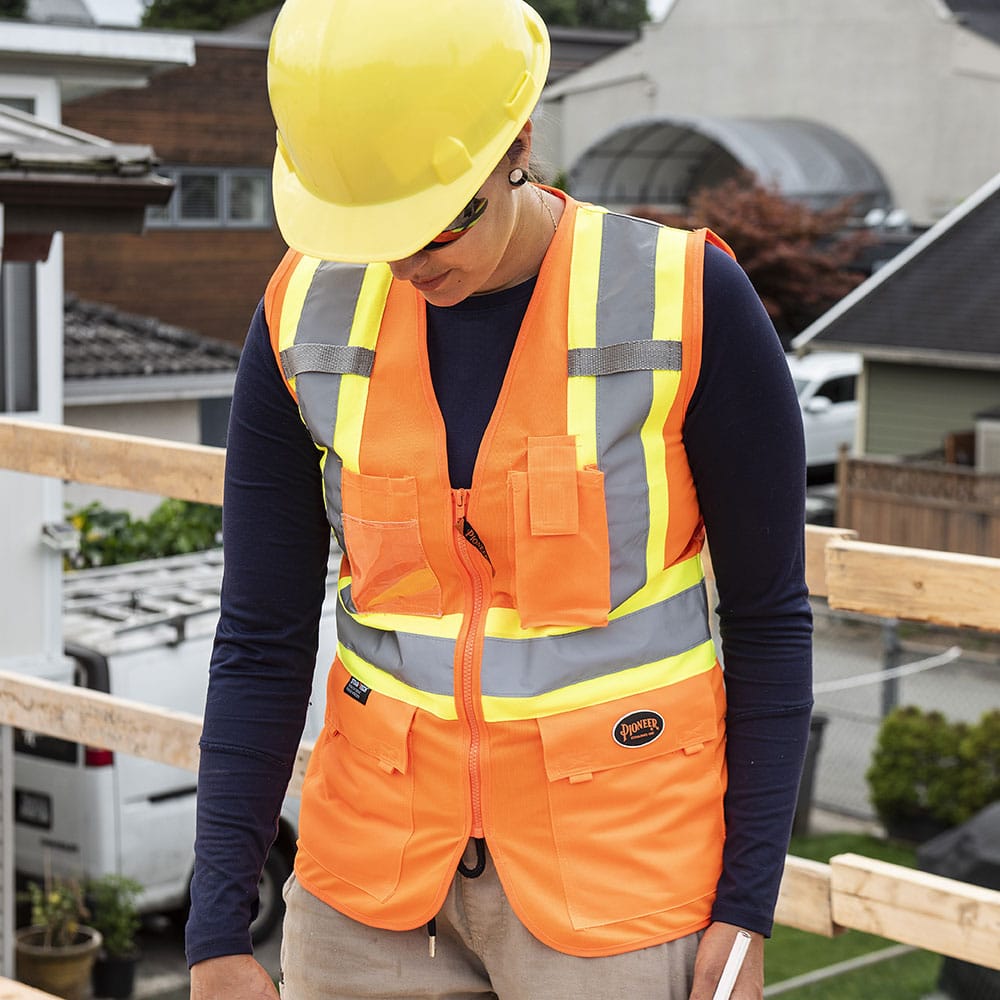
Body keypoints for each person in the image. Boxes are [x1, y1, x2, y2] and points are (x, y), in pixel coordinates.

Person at [186, 0, 813, 997]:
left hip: (615, 885)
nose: (408, 262)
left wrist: (744, 911)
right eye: (372, 231)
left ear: (517, 142)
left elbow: (771, 619)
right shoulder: (301, 315)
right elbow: (260, 636)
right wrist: (219, 926)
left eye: (439, 221)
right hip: (368, 886)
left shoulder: (684, 301)